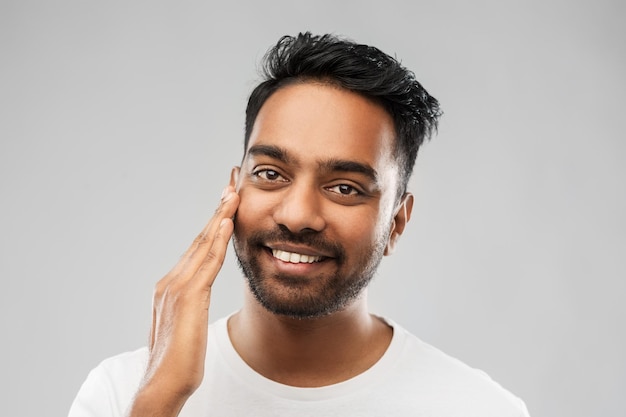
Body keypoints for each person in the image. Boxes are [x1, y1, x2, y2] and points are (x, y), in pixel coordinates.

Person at [69, 32, 530, 417]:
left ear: (396, 221)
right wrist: (161, 400)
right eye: (271, 174)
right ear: (233, 189)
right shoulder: (122, 393)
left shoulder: (477, 408)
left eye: (345, 187)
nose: (297, 215)